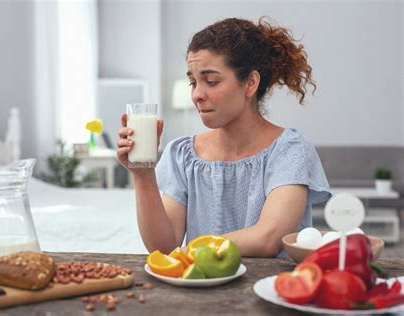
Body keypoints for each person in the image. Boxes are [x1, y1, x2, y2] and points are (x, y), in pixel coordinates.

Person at [116, 17, 331, 257]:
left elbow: (269, 238)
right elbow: (165, 247)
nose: (197, 94)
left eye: (211, 81)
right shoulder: (183, 154)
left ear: (250, 83)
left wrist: (190, 251)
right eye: (193, 82)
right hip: (200, 292)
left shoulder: (289, 150)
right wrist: (143, 175)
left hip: (268, 290)